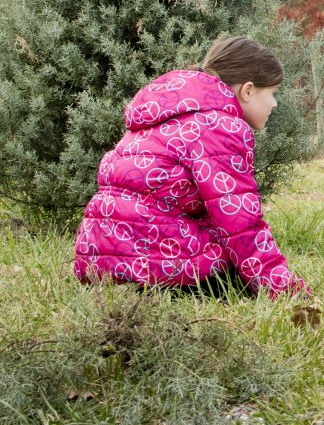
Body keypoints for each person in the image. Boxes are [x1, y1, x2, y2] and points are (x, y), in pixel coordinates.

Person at [73, 36, 308, 299]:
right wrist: (286, 289)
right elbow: (240, 224)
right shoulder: (221, 127)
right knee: (236, 280)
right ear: (248, 90)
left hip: (100, 255)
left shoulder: (170, 112)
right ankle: (163, 292)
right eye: (273, 93)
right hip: (160, 262)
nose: (275, 104)